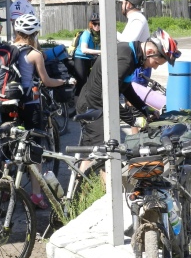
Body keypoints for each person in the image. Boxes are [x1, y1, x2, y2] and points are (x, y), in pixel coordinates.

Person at [76, 28, 180, 173]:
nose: (155, 67)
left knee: (90, 155)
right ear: (150, 52)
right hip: (94, 107)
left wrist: (145, 109)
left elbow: (126, 89)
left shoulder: (131, 54)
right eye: (156, 62)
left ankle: (80, 184)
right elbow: (110, 97)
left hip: (93, 104)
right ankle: (104, 188)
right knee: (106, 159)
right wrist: (133, 120)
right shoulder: (125, 59)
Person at [13, 14, 75, 209]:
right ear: (35, 34)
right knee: (35, 149)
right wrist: (64, 81)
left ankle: (5, 187)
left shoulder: (9, 49)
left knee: (12, 144)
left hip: (10, 102)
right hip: (30, 104)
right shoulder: (34, 54)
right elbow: (46, 81)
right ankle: (36, 194)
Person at [116, 0, 151, 134]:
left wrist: (110, 31)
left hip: (138, 66)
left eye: (123, 3)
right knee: (130, 101)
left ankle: (138, 137)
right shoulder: (135, 18)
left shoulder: (137, 19)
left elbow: (128, 42)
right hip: (136, 64)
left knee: (133, 102)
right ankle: (135, 136)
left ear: (129, 4)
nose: (121, 6)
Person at [72, 13, 101, 96]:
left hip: (91, 58)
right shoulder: (87, 33)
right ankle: (77, 102)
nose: (97, 26)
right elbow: (84, 50)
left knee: (96, 82)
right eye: (94, 24)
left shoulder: (100, 34)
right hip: (81, 58)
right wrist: (101, 51)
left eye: (99, 24)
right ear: (91, 24)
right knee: (81, 83)